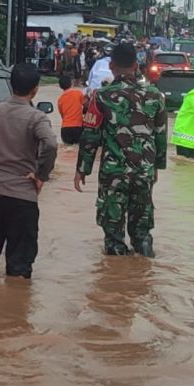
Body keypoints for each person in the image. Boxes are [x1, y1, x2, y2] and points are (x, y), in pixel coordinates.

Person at [73, 40, 170, 258]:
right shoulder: (155, 96)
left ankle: (116, 279)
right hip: (143, 171)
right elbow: (160, 135)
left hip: (113, 173)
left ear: (111, 66)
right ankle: (143, 274)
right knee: (142, 231)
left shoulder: (101, 96)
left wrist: (82, 169)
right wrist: (156, 167)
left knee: (113, 232)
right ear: (137, 65)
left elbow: (90, 137)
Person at [0, 61, 61, 277]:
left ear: (11, 85)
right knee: (19, 272)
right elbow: (51, 145)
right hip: (23, 197)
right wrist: (40, 175)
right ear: (35, 89)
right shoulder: (37, 118)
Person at [55, 75, 87, 149]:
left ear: (60, 86)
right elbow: (86, 105)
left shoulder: (60, 99)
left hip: (65, 129)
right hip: (78, 127)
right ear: (71, 83)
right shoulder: (78, 93)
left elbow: (63, 115)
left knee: (67, 149)